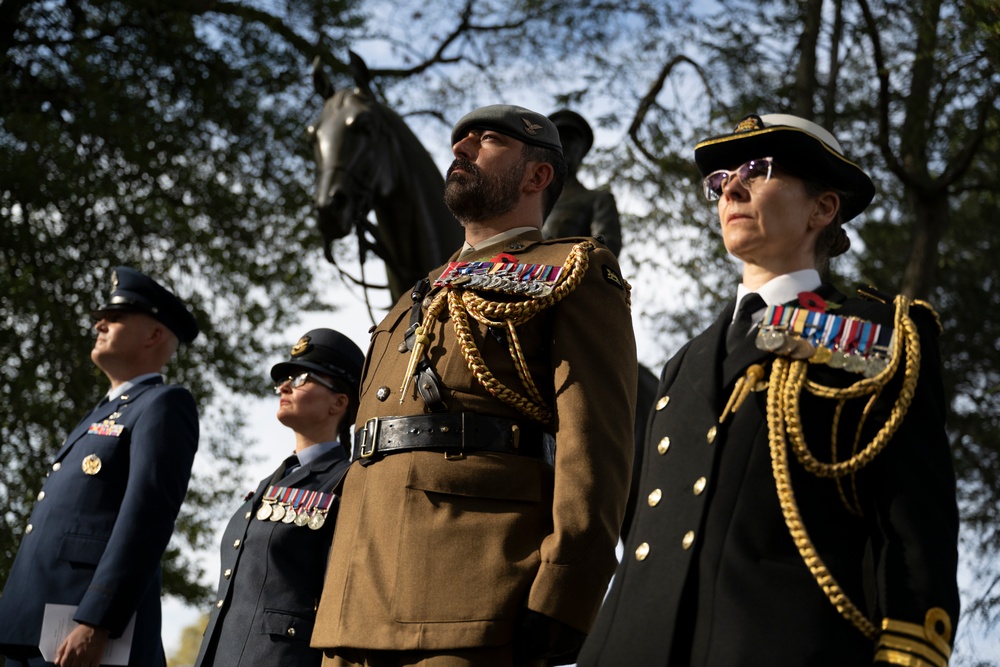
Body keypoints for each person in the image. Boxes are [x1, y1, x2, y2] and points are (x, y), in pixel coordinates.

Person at [578, 114, 960, 666]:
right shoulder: (685, 362)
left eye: (758, 170)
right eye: (721, 179)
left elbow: (913, 525)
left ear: (822, 208)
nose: (731, 187)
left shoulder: (876, 336)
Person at [310, 104, 638, 667]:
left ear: (538, 176)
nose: (460, 150)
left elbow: (595, 449)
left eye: (486, 141)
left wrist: (564, 593)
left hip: (471, 601)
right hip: (352, 608)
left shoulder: (573, 269)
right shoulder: (410, 299)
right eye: (458, 140)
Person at [0, 266, 200, 667]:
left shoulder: (163, 404)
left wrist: (98, 619)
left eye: (117, 317)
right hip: (29, 626)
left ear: (154, 335)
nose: (100, 323)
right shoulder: (102, 414)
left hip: (80, 633)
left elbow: (147, 516)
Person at [194, 328, 364, 667]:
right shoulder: (267, 485)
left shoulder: (347, 482)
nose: (284, 387)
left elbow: (343, 601)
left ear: (339, 401)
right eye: (283, 379)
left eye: (301, 378)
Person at [541, 109, 622, 256]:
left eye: (572, 141)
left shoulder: (597, 200)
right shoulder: (525, 200)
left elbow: (605, 254)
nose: (565, 146)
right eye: (559, 140)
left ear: (581, 152)